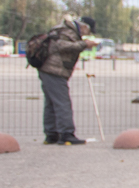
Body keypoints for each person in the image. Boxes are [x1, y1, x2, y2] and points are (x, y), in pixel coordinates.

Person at [38, 14, 96, 145]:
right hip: (54, 70)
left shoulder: (62, 29)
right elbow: (61, 46)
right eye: (88, 30)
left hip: (48, 68)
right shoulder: (67, 31)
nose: (87, 34)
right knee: (62, 102)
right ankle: (66, 134)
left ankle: (51, 134)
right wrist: (84, 44)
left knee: (51, 102)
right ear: (84, 27)